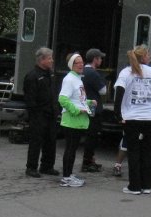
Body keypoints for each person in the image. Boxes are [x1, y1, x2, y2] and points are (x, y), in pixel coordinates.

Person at [114, 45, 151, 195]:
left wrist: (118, 114)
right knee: (146, 151)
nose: (150, 56)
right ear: (144, 57)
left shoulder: (126, 72)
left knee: (133, 152)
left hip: (132, 118)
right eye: (148, 54)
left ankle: (134, 186)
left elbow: (119, 92)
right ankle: (147, 185)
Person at [23, 47, 60, 178]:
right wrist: (34, 115)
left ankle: (47, 166)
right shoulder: (32, 76)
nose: (52, 60)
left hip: (51, 114)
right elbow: (30, 98)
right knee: (36, 141)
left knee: (51, 141)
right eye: (50, 58)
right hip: (38, 115)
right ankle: (31, 167)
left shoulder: (50, 74)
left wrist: (56, 109)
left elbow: (53, 93)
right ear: (42, 60)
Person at [58, 53, 91, 187]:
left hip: (78, 121)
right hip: (72, 120)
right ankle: (66, 177)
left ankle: (69, 174)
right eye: (77, 62)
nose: (81, 64)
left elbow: (78, 99)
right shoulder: (70, 79)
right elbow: (63, 99)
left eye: (82, 62)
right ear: (71, 65)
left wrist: (89, 102)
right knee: (70, 149)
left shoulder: (78, 79)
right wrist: (77, 111)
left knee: (73, 149)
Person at [80, 48, 107, 173]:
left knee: (88, 135)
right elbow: (103, 91)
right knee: (93, 136)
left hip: (83, 105)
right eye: (100, 58)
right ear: (95, 59)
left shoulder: (82, 71)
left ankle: (89, 160)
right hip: (94, 107)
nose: (101, 60)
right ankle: (87, 162)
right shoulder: (94, 74)